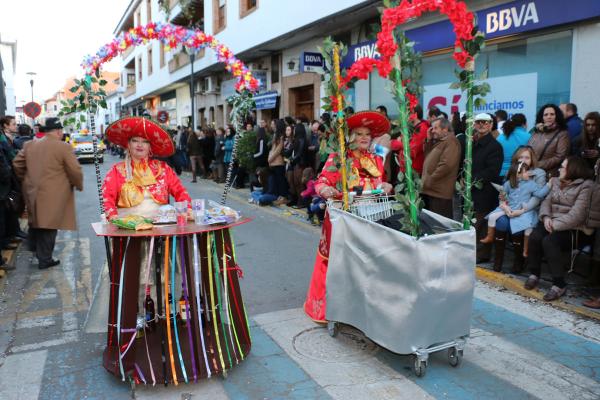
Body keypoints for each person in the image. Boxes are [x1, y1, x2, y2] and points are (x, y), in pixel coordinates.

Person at [304, 111, 394, 323]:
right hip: (343, 219)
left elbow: (380, 183)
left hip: (370, 219)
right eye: (359, 133)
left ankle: (361, 311)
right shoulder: (339, 158)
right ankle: (327, 309)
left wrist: (386, 186)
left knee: (366, 264)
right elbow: (321, 181)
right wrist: (325, 189)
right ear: (350, 136)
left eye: (367, 134)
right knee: (335, 262)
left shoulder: (375, 159)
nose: (364, 137)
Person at [12, 118, 83, 269]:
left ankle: (33, 246)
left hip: (31, 190)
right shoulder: (63, 147)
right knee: (49, 225)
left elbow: (17, 164)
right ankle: (45, 259)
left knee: (36, 220)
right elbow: (74, 170)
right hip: (53, 193)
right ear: (58, 131)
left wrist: (25, 179)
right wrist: (78, 184)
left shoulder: (30, 144)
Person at [525, 156, 593, 301]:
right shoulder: (556, 181)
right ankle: (534, 273)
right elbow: (546, 202)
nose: (560, 169)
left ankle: (559, 284)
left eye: (563, 167)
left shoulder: (586, 186)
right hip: (551, 222)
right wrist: (546, 217)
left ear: (573, 170)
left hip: (574, 229)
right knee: (535, 236)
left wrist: (554, 225)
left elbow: (577, 214)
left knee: (550, 242)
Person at [101, 117, 191, 221]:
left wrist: (187, 210)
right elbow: (107, 198)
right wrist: (112, 216)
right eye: (135, 141)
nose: (140, 145)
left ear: (150, 147)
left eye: (145, 141)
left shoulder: (163, 168)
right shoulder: (116, 171)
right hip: (127, 230)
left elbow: (180, 192)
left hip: (160, 230)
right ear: (128, 145)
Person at [481, 146, 549, 272]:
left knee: (518, 227)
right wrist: (504, 205)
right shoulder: (512, 171)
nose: (523, 160)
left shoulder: (539, 173)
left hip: (527, 210)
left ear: (532, 159)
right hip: (510, 207)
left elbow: (537, 198)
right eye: (521, 157)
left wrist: (522, 210)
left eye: (527, 157)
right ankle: (498, 260)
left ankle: (519, 260)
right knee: (501, 222)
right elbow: (504, 193)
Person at [466, 113, 504, 263]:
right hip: (472, 190)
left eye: (485, 122)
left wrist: (471, 180)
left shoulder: (495, 146)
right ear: (474, 125)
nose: (482, 125)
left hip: (485, 191)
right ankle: (473, 253)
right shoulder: (473, 144)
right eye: (479, 122)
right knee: (474, 223)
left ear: (491, 125)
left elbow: (492, 171)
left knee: (481, 224)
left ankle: (481, 255)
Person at [421, 117, 461, 219]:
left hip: (440, 193)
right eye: (432, 128)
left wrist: (430, 180)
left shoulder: (451, 141)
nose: (432, 131)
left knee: (440, 227)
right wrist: (429, 140)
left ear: (445, 129)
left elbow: (446, 165)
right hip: (432, 190)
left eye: (435, 128)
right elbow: (427, 157)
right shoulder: (440, 141)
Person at [528, 104, 570, 177]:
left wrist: (537, 164)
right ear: (542, 117)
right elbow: (528, 149)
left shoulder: (562, 134)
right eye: (546, 115)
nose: (549, 117)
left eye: (552, 114)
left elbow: (560, 157)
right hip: (532, 172)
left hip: (549, 175)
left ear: (557, 116)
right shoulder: (536, 132)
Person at [496, 113, 531, 179]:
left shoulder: (500, 137)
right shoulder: (529, 136)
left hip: (500, 174)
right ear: (524, 124)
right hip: (520, 174)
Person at [267, 120, 289, 205]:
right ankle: (280, 196)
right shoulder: (276, 134)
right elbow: (273, 148)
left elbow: (278, 149)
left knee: (281, 181)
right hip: (274, 161)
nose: (272, 125)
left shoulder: (280, 135)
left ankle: (283, 197)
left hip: (278, 161)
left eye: (273, 124)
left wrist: (270, 158)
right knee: (277, 180)